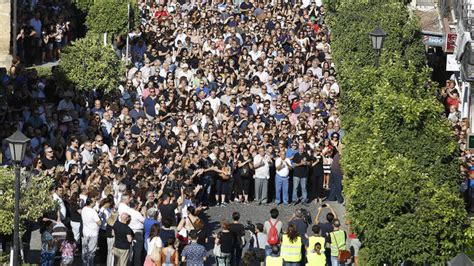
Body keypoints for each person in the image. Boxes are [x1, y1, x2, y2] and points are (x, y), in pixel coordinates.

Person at [81, 197, 101, 266]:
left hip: (85, 232)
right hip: (93, 233)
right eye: (94, 201)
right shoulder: (93, 212)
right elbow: (99, 223)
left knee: (85, 250)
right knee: (91, 251)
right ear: (91, 203)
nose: (95, 203)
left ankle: (85, 264)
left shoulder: (84, 209)